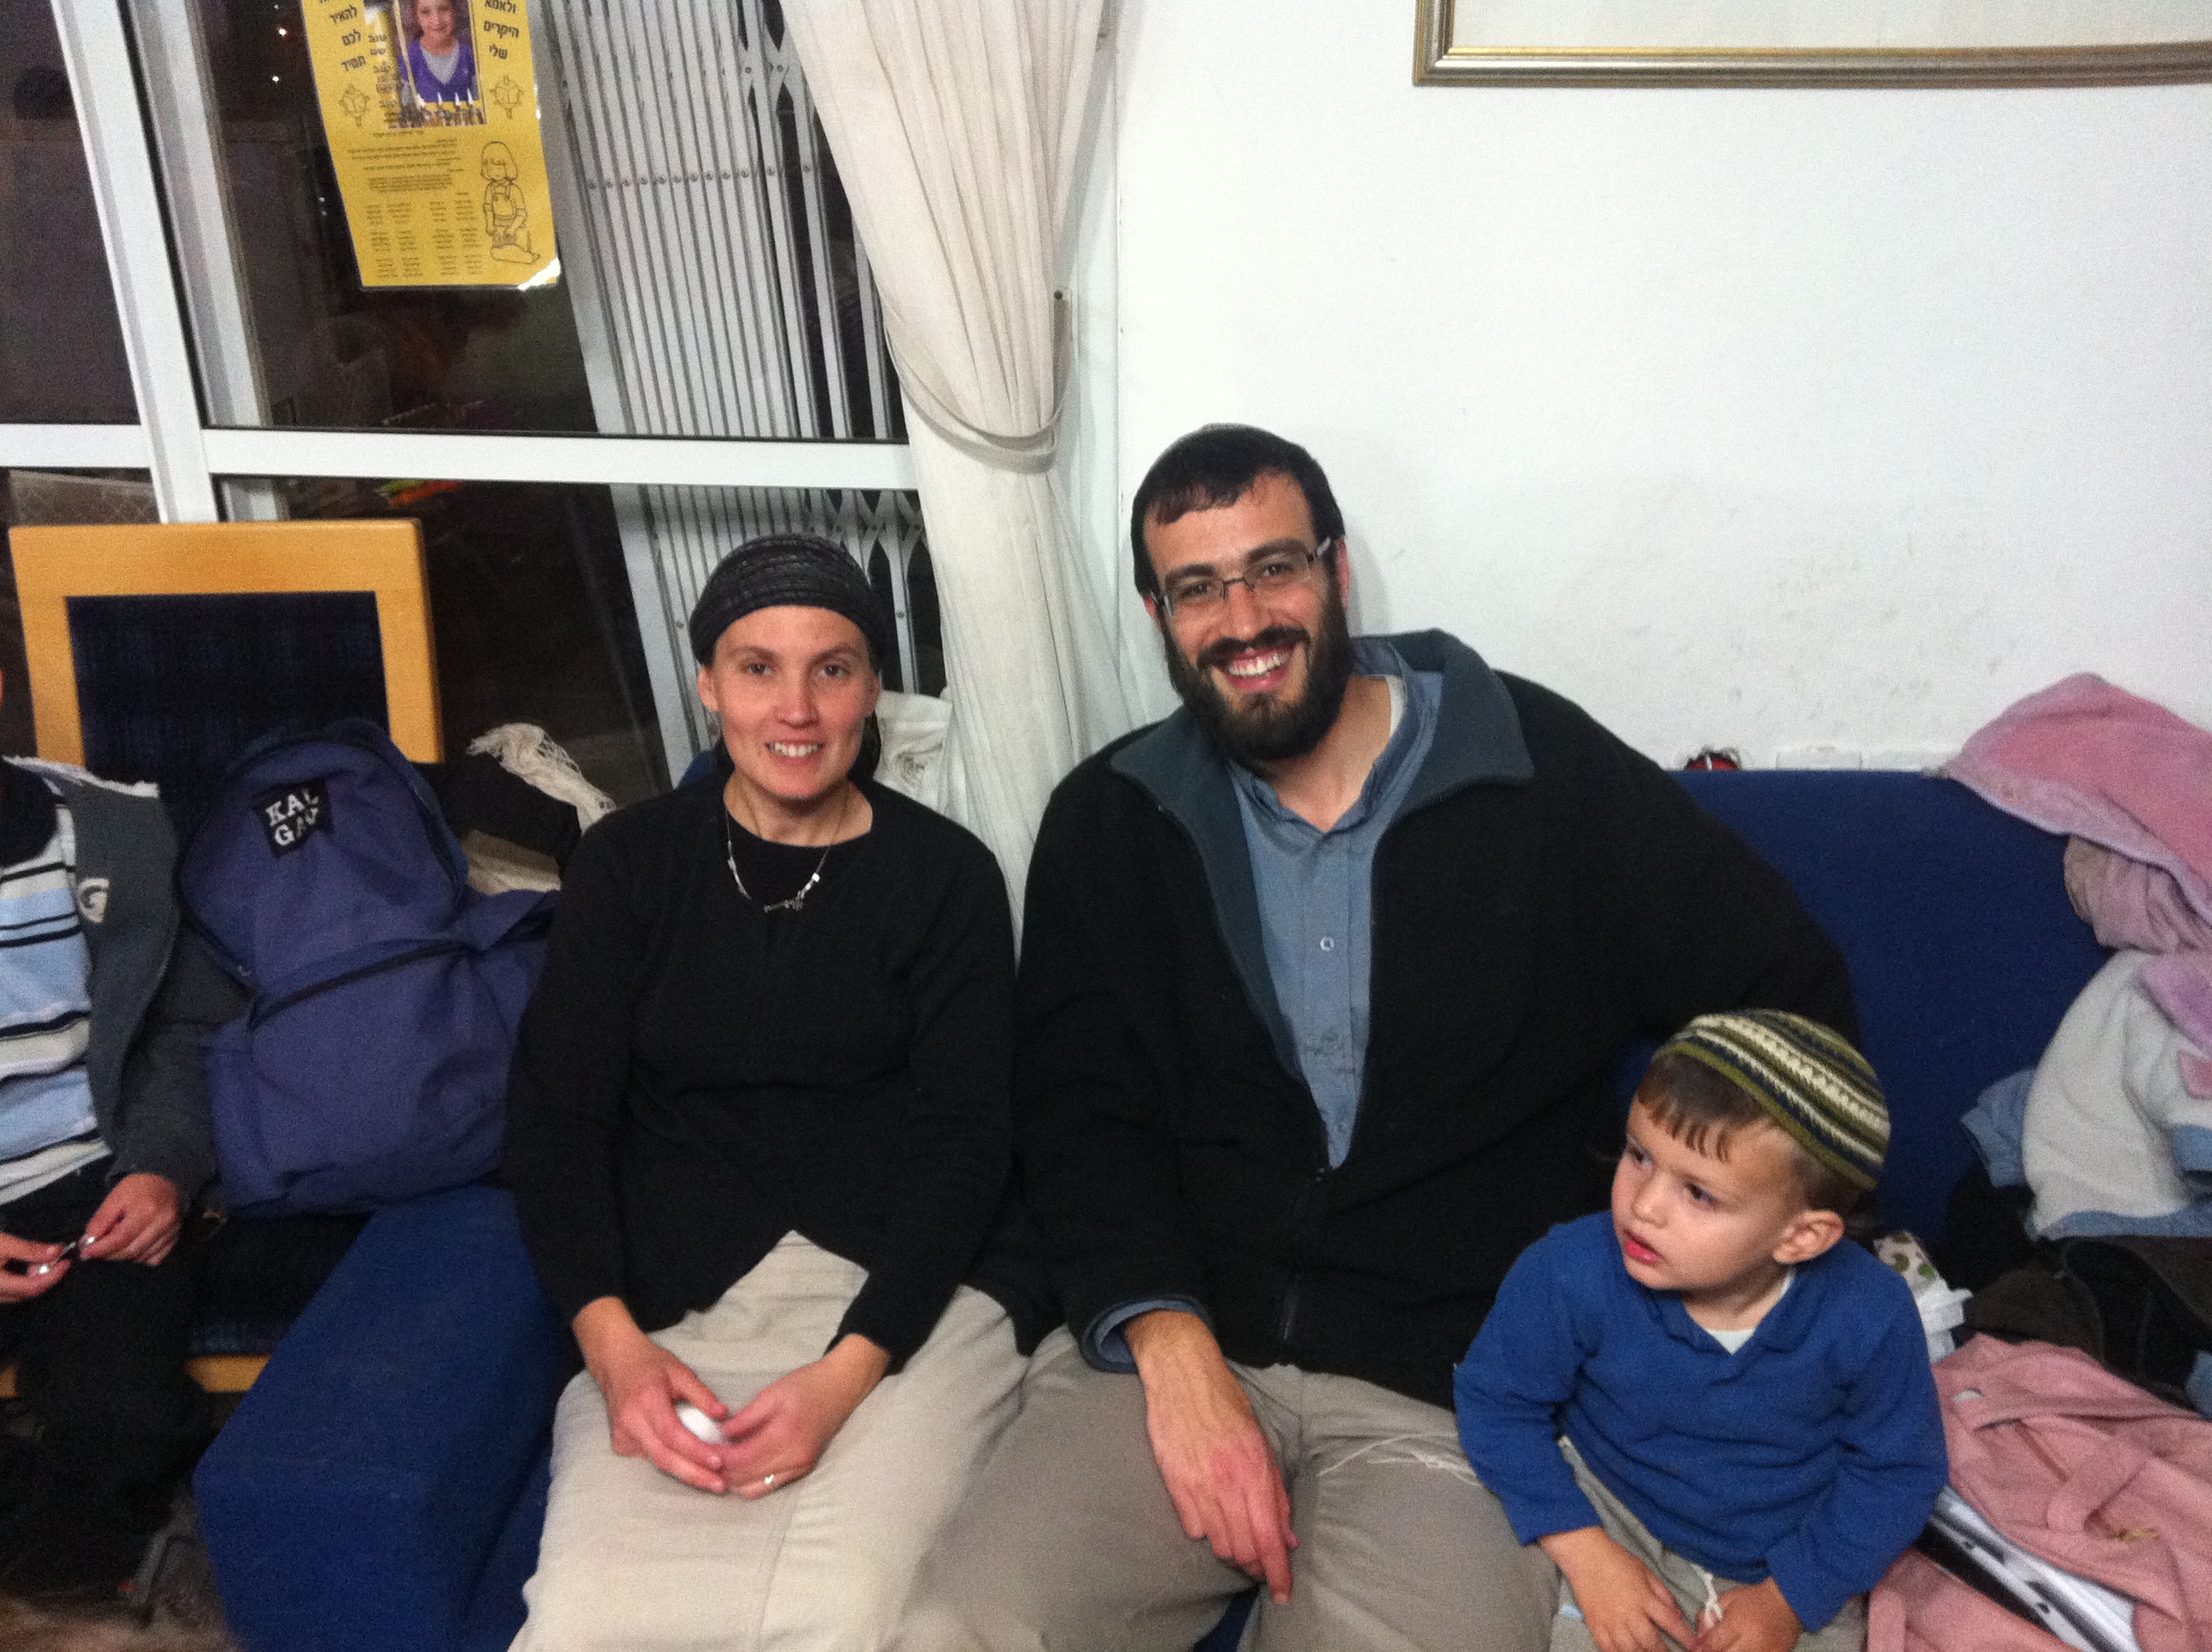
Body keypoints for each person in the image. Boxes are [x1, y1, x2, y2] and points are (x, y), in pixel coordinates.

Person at [896, 425, 1861, 1650]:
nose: (1244, 619)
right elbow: (1079, 1119)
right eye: (1198, 589)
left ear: (1337, 570)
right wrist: (1173, 1350)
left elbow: (1790, 996)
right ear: (1157, 616)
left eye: (1274, 568)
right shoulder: (1111, 820)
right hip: (1170, 1360)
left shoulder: (1540, 773)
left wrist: (1705, 1239)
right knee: (959, 1627)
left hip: (1457, 1396)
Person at [502, 536, 1043, 1651]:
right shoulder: (626, 866)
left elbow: (969, 1144)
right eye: (758, 668)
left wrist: (846, 1376)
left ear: (873, 688)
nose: (796, 708)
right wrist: (613, 1347)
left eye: (832, 669)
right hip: (674, 1302)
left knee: (844, 1609)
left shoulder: (946, 876)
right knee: (583, 1620)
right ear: (708, 684)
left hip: (909, 1296)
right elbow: (556, 1121)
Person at [1456, 1011, 1947, 1652]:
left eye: (1698, 1194)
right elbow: (1496, 1402)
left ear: (1801, 1237)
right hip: (1603, 1513)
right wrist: (1584, 1550)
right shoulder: (1569, 1270)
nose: (1644, 1206)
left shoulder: (1871, 1315)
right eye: (1638, 1156)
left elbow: (1898, 1473)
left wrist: (1789, 1599)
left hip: (1786, 1563)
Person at [0, 684, 229, 1597]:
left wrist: (163, 1169)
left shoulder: (105, 834)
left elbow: (183, 1026)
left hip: (94, 1179)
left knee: (122, 1412)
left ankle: (71, 1558)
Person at [404, 0, 477, 107]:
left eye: (443, 9)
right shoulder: (410, 58)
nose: (437, 20)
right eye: (426, 12)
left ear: (454, 11)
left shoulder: (470, 55)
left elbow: (481, 101)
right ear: (416, 17)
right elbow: (406, 106)